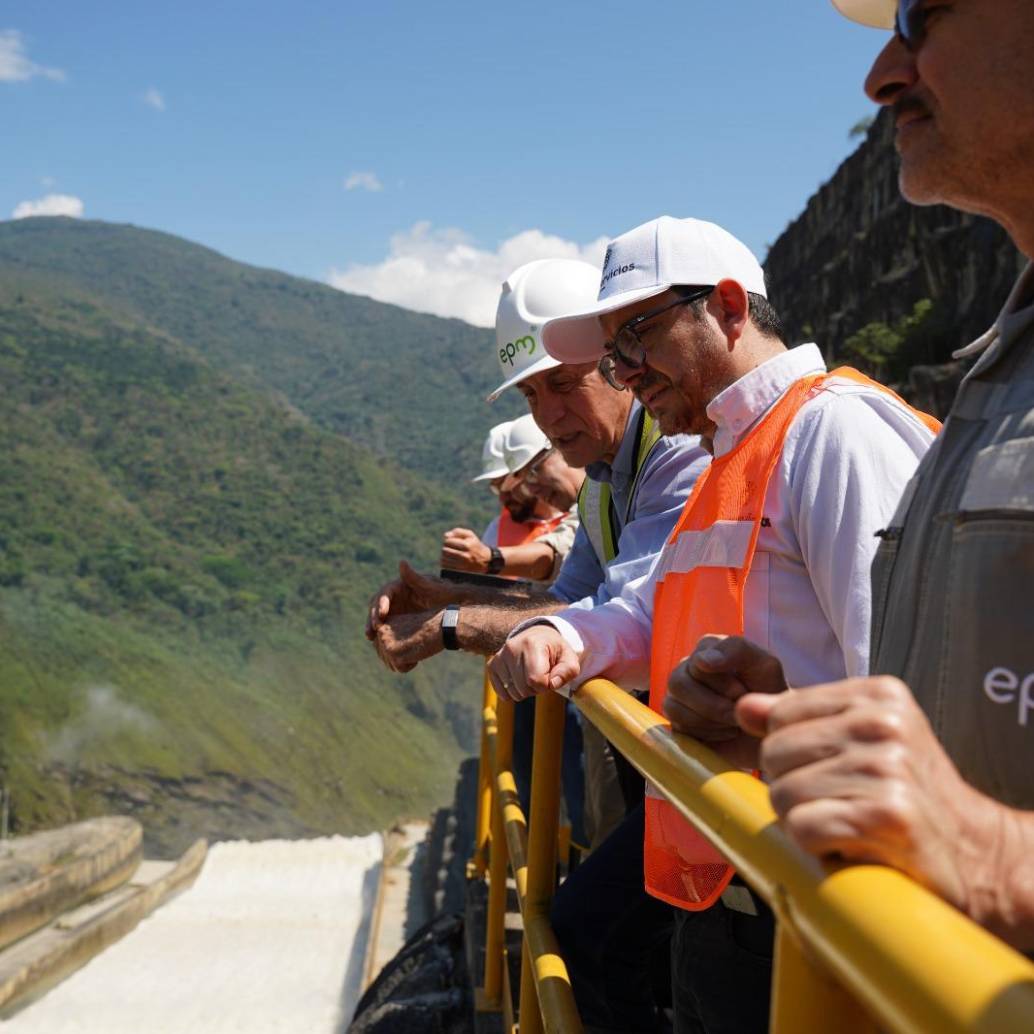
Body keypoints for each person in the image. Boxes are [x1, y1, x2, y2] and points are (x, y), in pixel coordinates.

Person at [489, 214, 938, 1032]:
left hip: (810, 901)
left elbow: (903, 683)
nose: (625, 371)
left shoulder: (832, 431)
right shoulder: (730, 457)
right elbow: (654, 607)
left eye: (637, 337)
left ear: (728, 307)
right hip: (733, 887)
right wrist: (566, 637)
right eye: (615, 353)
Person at [673, 0, 1034, 956]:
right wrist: (791, 734)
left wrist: (995, 856)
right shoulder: (998, 375)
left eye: (930, 11)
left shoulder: (838, 426)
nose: (883, 71)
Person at [367, 256, 709, 1028]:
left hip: (703, 771)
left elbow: (624, 615)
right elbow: (564, 600)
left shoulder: (679, 458)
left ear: (622, 364)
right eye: (531, 393)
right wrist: (443, 595)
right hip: (664, 763)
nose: (548, 416)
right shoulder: (605, 484)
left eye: (563, 383)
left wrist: (450, 626)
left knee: (594, 942)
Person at [443, 414, 579, 583]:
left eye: (532, 473)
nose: (504, 497)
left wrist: (490, 559)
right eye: (496, 488)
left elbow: (556, 556)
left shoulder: (592, 505)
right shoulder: (498, 529)